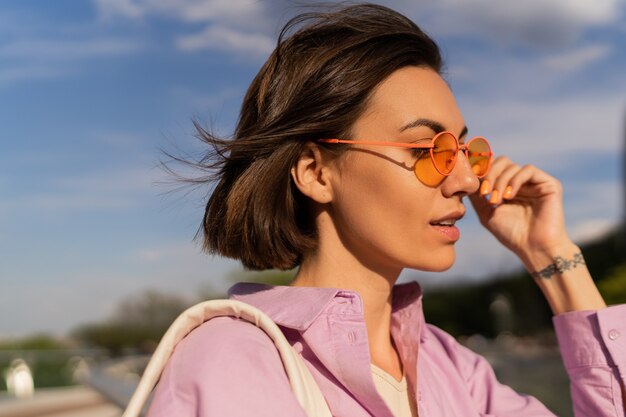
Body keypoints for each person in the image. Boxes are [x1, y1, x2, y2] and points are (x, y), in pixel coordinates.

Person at [146, 4, 625, 416]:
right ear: (315, 172)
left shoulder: (450, 366)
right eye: (424, 151)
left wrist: (551, 255)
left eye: (461, 150)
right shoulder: (234, 360)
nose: (465, 180)